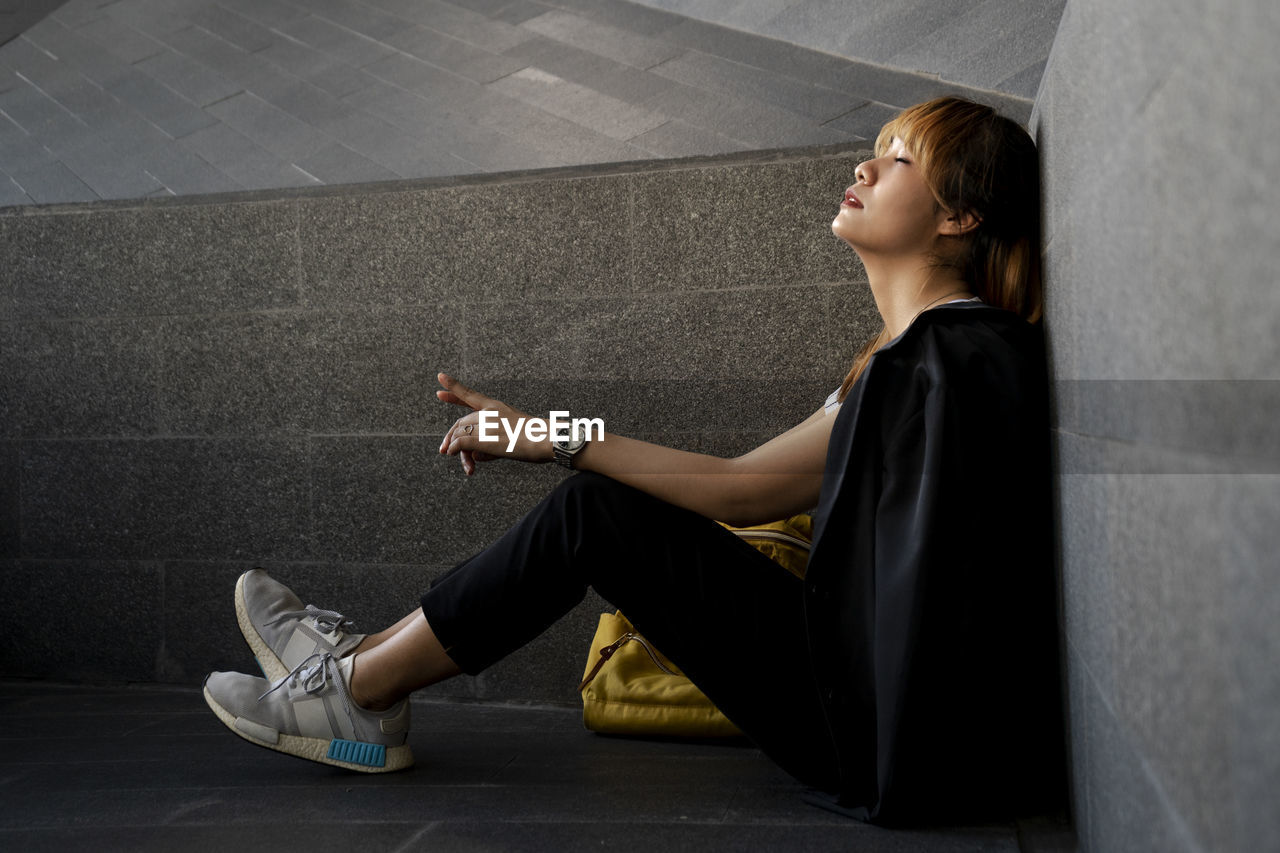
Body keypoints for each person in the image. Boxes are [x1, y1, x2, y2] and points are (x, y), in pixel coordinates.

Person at [203, 96, 1063, 825]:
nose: (867, 169)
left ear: (960, 216)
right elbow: (738, 480)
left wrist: (552, 436)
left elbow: (739, 492)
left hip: (882, 729)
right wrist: (546, 430)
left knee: (594, 512)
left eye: (901, 160)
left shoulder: (948, 356)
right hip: (859, 693)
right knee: (597, 507)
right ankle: (359, 664)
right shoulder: (903, 359)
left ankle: (360, 689)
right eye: (874, 154)